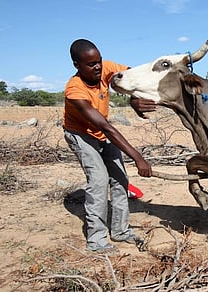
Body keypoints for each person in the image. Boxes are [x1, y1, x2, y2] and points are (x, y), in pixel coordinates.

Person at [63, 39, 157, 252]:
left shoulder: (105, 68)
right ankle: (96, 241)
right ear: (77, 65)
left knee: (120, 178)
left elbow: (133, 76)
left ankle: (120, 231)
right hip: (80, 134)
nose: (98, 67)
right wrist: (138, 157)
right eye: (90, 64)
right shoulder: (74, 90)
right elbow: (106, 127)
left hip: (101, 132)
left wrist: (134, 98)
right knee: (98, 180)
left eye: (99, 61)